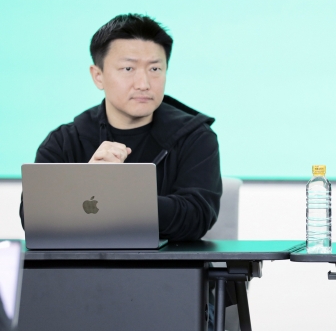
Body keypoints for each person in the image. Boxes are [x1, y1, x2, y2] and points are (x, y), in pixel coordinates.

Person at [19, 14, 222, 241]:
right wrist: (87, 180)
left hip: (166, 272)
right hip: (81, 271)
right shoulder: (65, 141)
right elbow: (34, 219)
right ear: (98, 76)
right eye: (128, 69)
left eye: (155, 69)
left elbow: (197, 218)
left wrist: (121, 193)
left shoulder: (196, 137)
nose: (143, 84)